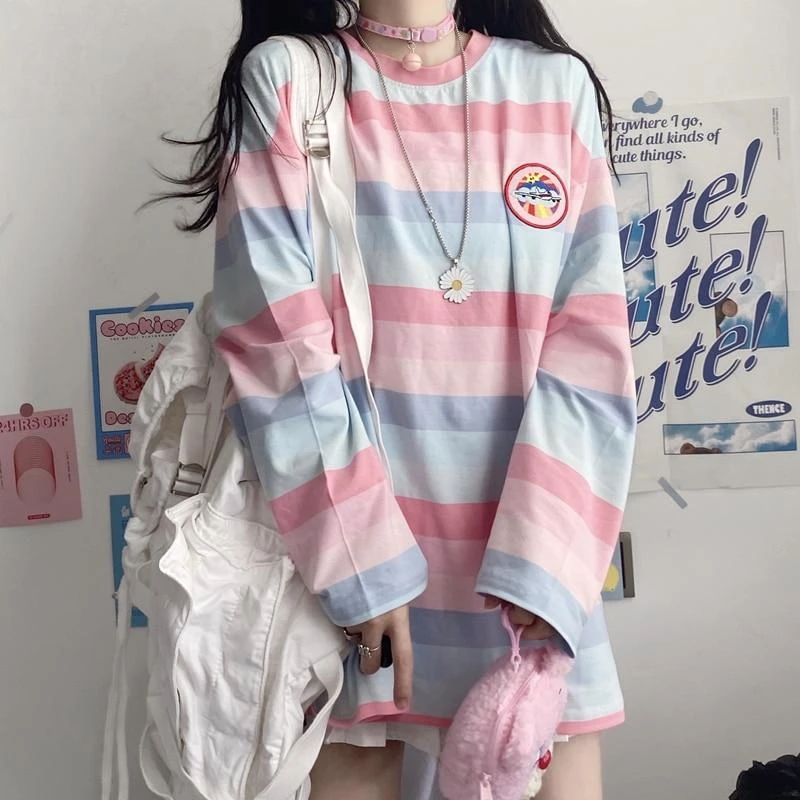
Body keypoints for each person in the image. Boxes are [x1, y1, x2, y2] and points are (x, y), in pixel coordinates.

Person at [152, 1, 637, 797]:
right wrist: (362, 567)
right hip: (358, 593)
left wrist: (547, 568)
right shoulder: (291, 82)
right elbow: (275, 342)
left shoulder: (555, 88)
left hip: (529, 593)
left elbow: (592, 348)